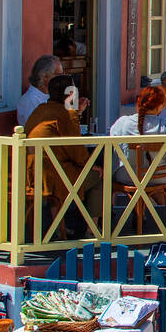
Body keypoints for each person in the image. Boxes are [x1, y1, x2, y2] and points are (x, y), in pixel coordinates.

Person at [25, 75, 105, 237]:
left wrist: (77, 111)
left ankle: (58, 225)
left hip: (33, 173)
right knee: (98, 176)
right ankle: (93, 228)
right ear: (69, 93)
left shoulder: (40, 110)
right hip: (54, 176)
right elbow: (76, 151)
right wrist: (92, 165)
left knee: (65, 169)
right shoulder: (65, 113)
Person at [109, 85, 166, 186]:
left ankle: (145, 199)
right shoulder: (164, 126)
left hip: (127, 176)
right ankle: (160, 199)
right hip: (159, 177)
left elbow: (111, 147)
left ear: (139, 103)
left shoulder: (122, 123)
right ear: (159, 106)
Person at [17, 55, 66, 127]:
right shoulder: (30, 100)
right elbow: (40, 130)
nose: (62, 78)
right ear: (45, 76)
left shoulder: (51, 95)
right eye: (59, 75)